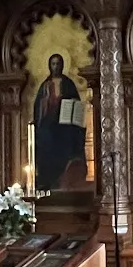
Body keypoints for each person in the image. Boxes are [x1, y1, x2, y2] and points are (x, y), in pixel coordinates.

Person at [33, 54, 87, 190]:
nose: (56, 67)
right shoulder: (45, 85)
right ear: (49, 66)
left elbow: (76, 103)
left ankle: (65, 180)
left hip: (65, 126)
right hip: (49, 124)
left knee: (68, 142)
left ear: (62, 65)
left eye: (58, 64)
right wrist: (46, 102)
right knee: (45, 142)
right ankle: (48, 181)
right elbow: (38, 107)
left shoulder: (68, 83)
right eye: (53, 64)